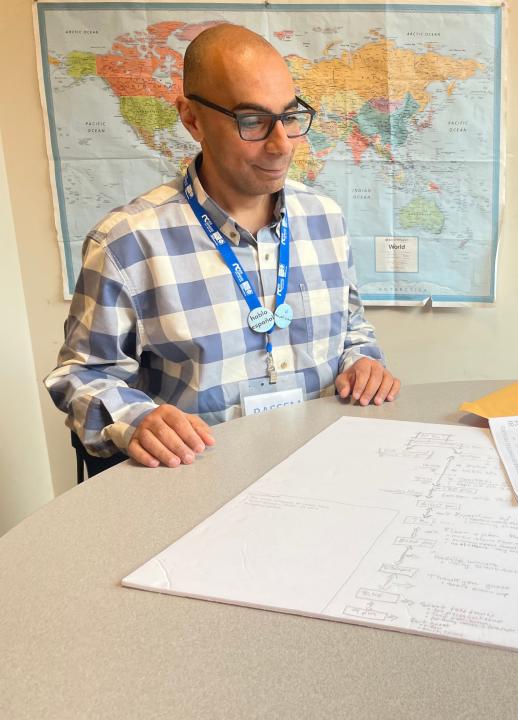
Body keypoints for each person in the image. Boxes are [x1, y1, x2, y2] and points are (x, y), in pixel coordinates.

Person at [46, 24, 400, 470]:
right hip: (200, 486)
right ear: (192, 119)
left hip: (322, 470)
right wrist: (138, 419)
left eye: (289, 117)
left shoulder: (324, 218)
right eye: (251, 121)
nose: (280, 145)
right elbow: (83, 374)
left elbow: (352, 329)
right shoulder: (127, 242)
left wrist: (363, 362)